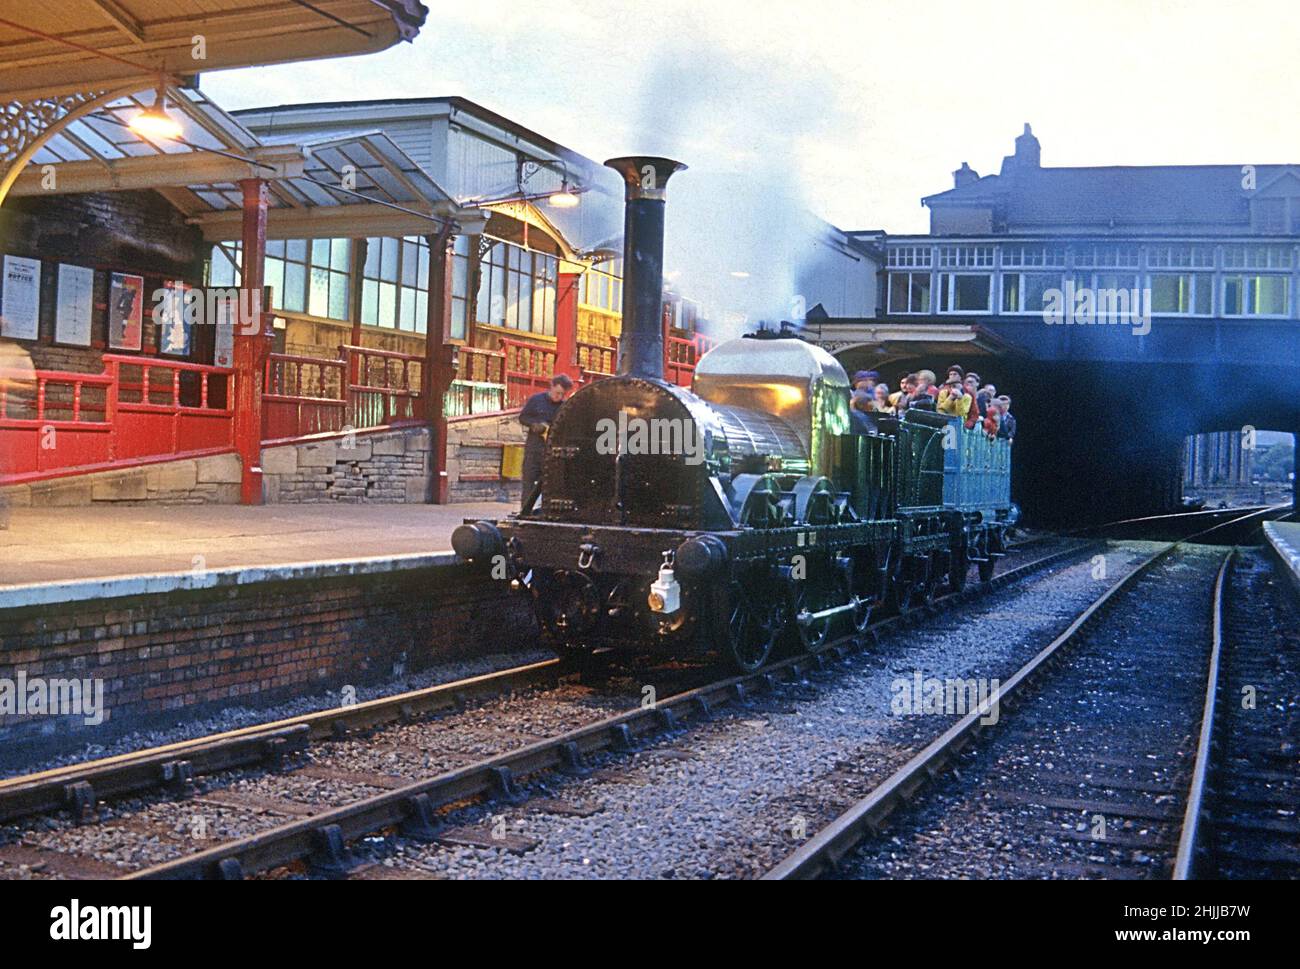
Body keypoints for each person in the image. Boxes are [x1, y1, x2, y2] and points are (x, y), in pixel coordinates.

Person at [518, 373, 573, 511]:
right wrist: (534, 425)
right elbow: (523, 417)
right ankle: (526, 510)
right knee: (529, 481)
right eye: (557, 393)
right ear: (552, 387)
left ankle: (546, 511)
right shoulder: (536, 400)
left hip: (551, 450)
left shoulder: (564, 407)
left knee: (550, 483)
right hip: (534, 447)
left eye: (562, 394)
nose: (558, 397)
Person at [0, 338, 36, 530]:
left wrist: (6, 384)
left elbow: (31, 385)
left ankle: (1, 515)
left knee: (1, 465)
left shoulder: (19, 355)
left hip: (8, 413)